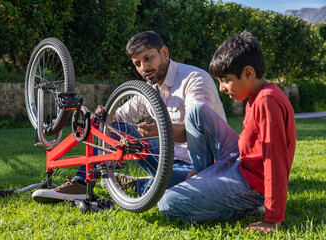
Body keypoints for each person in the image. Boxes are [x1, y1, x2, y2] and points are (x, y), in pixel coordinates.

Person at [32, 31, 226, 202]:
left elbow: (198, 130)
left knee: (157, 192)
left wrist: (160, 129)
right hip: (167, 156)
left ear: (164, 53)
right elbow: (117, 117)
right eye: (137, 63)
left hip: (200, 164)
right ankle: (81, 182)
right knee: (108, 126)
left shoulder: (194, 79)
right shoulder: (150, 88)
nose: (144, 68)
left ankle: (139, 184)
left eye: (148, 58)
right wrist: (102, 116)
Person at [157, 31, 296, 234]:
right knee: (197, 112)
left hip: (252, 183)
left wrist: (272, 219)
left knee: (167, 203)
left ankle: (249, 207)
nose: (221, 88)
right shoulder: (257, 95)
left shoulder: (268, 101)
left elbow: (275, 161)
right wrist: (213, 171)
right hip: (239, 160)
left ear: (248, 73)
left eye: (225, 80)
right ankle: (206, 175)